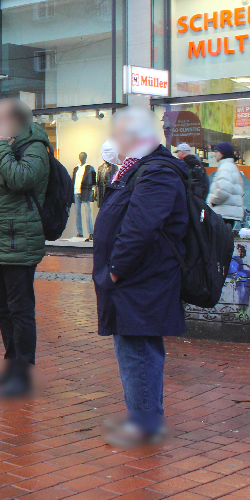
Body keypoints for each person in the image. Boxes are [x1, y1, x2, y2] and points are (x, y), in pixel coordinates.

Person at [93, 107, 188, 447]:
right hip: (138, 277)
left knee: (138, 349)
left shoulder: (157, 172)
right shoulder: (138, 170)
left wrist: (115, 271)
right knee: (135, 347)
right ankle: (142, 417)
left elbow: (139, 228)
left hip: (141, 278)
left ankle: (145, 423)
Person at [0, 98, 50, 397]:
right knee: (2, 307)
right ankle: (10, 363)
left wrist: (0, 148)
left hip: (19, 241)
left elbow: (21, 179)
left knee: (20, 309)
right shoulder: (0, 149)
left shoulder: (35, 148)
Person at [207, 142, 244, 227]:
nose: (214, 154)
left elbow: (224, 190)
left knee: (219, 238)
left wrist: (213, 202)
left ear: (223, 153)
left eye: (216, 151)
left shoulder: (225, 168)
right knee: (225, 238)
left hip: (222, 211)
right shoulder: (231, 166)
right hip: (228, 211)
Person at [72, 152, 96, 240]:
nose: (81, 158)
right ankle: (80, 233)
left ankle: (91, 232)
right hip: (76, 191)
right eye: (80, 157)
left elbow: (93, 181)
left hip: (85, 191)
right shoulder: (76, 168)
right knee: (77, 212)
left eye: (83, 157)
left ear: (86, 157)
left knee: (87, 212)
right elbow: (73, 180)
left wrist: (91, 190)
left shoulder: (90, 168)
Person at [96, 140, 119, 207]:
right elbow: (98, 181)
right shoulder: (100, 167)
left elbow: (115, 182)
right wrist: (96, 193)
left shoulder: (114, 167)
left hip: (109, 191)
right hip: (101, 190)